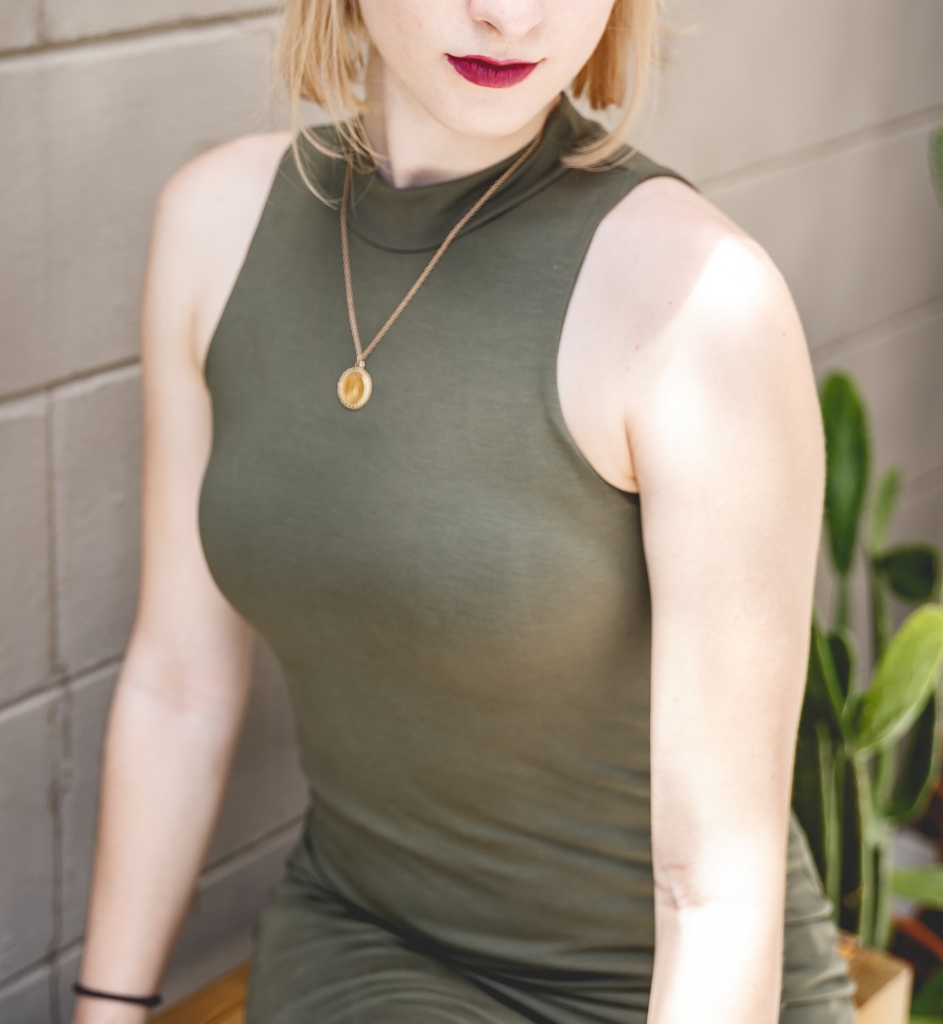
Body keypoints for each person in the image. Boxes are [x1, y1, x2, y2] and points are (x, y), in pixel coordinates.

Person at [70, 0, 855, 1022]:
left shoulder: (699, 301)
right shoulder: (213, 225)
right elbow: (179, 684)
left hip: (680, 981)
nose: (511, 15)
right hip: (372, 951)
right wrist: (106, 1008)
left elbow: (715, 892)